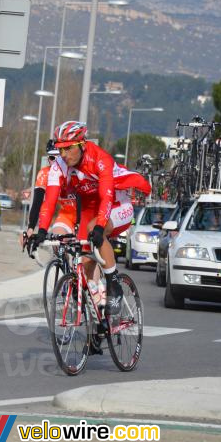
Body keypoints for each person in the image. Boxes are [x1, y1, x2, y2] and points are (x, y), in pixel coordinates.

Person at [29, 121, 151, 317]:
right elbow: (49, 201)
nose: (64, 155)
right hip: (89, 207)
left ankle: (114, 286)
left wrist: (101, 226)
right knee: (85, 264)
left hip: (117, 203)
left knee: (96, 229)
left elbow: (106, 197)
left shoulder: (100, 159)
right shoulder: (58, 167)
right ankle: (95, 326)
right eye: (60, 150)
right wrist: (40, 231)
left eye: (68, 149)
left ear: (82, 144)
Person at [23, 140, 78, 245]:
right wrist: (31, 228)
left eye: (59, 157)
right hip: (66, 215)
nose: (56, 162)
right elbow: (37, 203)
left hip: (85, 214)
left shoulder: (74, 170)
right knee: (57, 243)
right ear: (48, 159)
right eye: (52, 158)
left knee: (86, 255)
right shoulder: (44, 174)